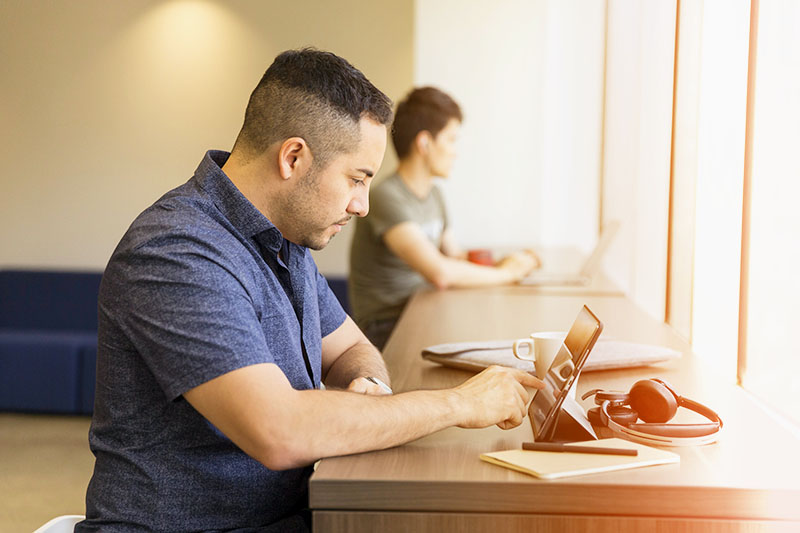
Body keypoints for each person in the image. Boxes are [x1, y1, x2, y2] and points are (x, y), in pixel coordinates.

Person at [77, 49, 543, 532]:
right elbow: (279, 430)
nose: (362, 205)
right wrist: (461, 404)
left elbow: (353, 349)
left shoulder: (285, 240)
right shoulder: (176, 252)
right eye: (357, 179)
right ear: (293, 157)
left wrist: (371, 390)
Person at [349, 87, 540, 349]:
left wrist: (504, 262)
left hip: (424, 308)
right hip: (388, 326)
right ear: (425, 143)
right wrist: (507, 274)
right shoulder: (386, 197)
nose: (455, 152)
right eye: (451, 140)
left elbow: (454, 257)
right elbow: (440, 272)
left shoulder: (434, 195)